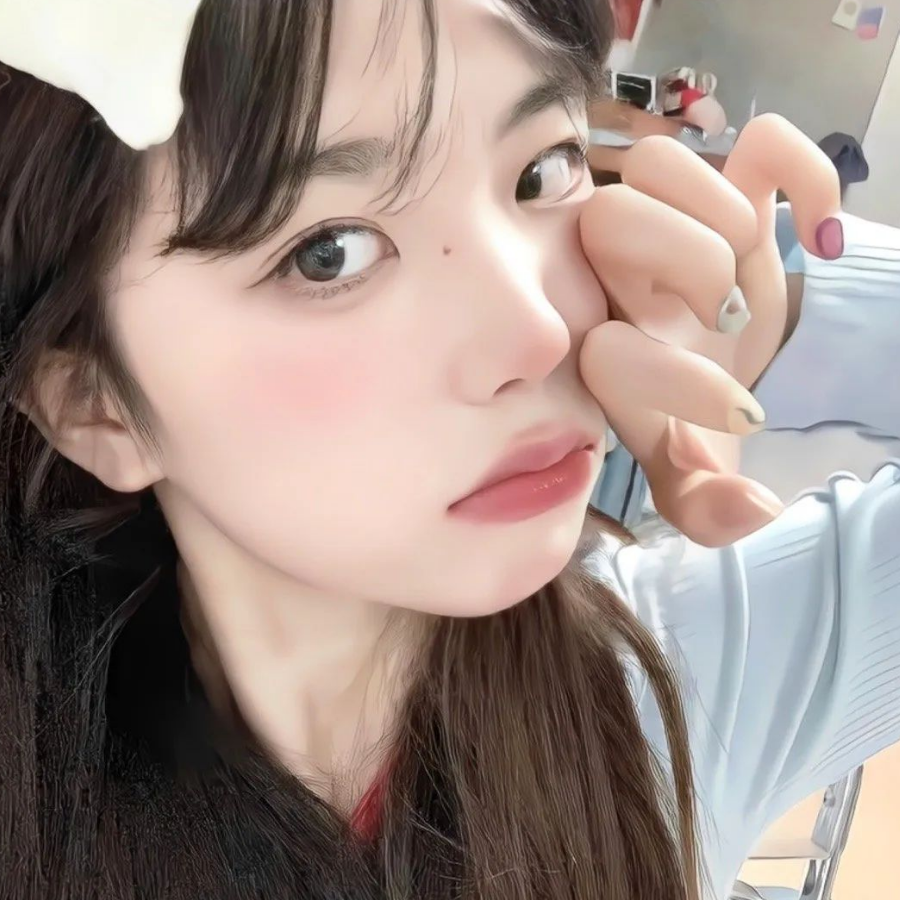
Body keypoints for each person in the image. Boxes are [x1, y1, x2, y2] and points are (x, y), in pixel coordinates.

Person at [0, 3, 896, 900]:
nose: (538, 332)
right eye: (327, 254)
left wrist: (784, 314)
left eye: (543, 172)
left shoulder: (681, 686)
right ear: (94, 406)